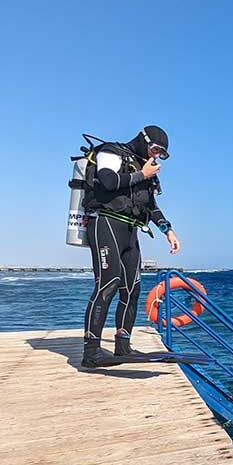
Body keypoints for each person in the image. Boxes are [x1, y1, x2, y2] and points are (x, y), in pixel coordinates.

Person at [81, 125, 182, 368]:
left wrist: (168, 230)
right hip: (105, 223)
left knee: (132, 288)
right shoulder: (111, 152)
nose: (156, 156)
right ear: (143, 140)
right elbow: (107, 180)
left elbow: (151, 205)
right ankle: (91, 352)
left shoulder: (146, 170)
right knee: (108, 283)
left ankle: (123, 345)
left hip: (130, 230)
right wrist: (142, 175)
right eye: (156, 149)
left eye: (162, 154)